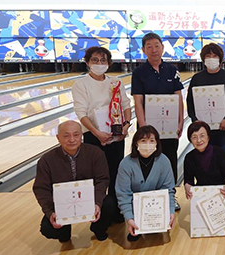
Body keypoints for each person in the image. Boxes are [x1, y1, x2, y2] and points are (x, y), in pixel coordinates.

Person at [72, 46, 131, 222]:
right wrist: (97, 133)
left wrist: (126, 125)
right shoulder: (81, 84)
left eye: (103, 60)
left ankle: (116, 211)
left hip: (116, 133)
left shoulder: (115, 82)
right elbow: (81, 112)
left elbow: (126, 105)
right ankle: (98, 212)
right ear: (88, 62)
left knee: (116, 171)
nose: (99, 63)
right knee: (96, 174)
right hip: (93, 135)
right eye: (95, 60)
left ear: (109, 63)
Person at [32, 121, 116, 242]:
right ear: (58, 138)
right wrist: (50, 212)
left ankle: (98, 229)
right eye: (66, 136)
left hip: (90, 200)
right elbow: (41, 188)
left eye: (76, 135)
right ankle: (64, 232)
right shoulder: (47, 160)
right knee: (47, 229)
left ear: (81, 135)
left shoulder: (95, 153)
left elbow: (102, 180)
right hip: (62, 204)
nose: (72, 140)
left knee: (108, 204)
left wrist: (97, 203)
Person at [131, 32, 184, 211]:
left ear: (162, 47)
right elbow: (138, 101)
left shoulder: (172, 70)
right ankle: (148, 198)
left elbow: (178, 97)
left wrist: (180, 121)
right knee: (147, 161)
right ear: (143, 50)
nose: (153, 50)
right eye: (149, 47)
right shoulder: (139, 72)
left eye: (156, 46)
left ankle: (171, 196)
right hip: (147, 127)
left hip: (169, 127)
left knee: (170, 160)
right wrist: (143, 127)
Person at [116, 125, 176, 242]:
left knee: (154, 234)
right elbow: (123, 194)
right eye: (143, 140)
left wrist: (170, 211)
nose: (148, 144)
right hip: (134, 207)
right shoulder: (126, 164)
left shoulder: (164, 161)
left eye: (152, 140)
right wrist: (129, 218)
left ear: (157, 143)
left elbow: (169, 190)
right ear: (136, 143)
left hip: (155, 207)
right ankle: (136, 224)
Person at [186, 43, 225, 161]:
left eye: (214, 56)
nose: (211, 58)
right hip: (202, 131)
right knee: (204, 162)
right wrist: (195, 120)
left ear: (220, 58)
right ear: (203, 59)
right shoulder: (197, 79)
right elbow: (190, 102)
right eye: (208, 56)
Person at [183, 121, 225, 200]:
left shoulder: (219, 153)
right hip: (201, 193)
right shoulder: (189, 157)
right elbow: (188, 179)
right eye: (194, 137)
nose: (199, 140)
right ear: (190, 140)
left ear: (208, 137)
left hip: (220, 192)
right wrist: (187, 188)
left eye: (202, 136)